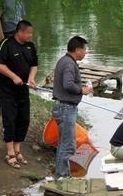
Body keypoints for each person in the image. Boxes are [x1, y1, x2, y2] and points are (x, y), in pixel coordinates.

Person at [0, 20, 38, 169]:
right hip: (6, 90)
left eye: (31, 33)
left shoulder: (30, 46)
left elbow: (34, 65)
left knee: (23, 119)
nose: (30, 36)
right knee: (9, 119)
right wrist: (13, 76)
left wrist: (31, 78)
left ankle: (18, 149)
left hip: (23, 90)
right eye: (28, 33)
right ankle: (10, 153)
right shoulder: (6, 43)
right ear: (20, 32)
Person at [51, 36, 93, 178]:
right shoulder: (69, 64)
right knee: (69, 145)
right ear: (77, 50)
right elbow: (68, 84)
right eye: (84, 49)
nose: (85, 52)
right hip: (66, 108)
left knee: (64, 143)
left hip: (61, 107)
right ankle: (63, 177)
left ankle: (60, 174)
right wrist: (82, 90)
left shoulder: (64, 60)